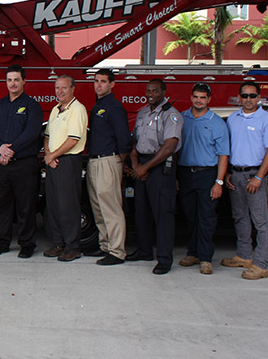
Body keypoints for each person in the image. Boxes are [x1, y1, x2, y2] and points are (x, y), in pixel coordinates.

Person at [221, 82, 268, 280]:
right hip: (236, 175)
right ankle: (244, 255)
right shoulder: (232, 118)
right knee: (240, 217)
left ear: (259, 97)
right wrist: (229, 172)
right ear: (239, 97)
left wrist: (258, 177)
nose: (248, 99)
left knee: (261, 222)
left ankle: (261, 265)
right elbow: (229, 148)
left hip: (255, 176)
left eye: (252, 96)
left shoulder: (267, 119)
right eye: (245, 96)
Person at [0, 65, 44, 258]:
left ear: (24, 81)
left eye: (16, 79)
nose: (13, 83)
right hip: (1, 164)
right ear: (6, 82)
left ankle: (27, 244)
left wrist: (11, 150)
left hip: (24, 164)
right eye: (9, 80)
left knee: (26, 205)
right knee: (1, 205)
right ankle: (1, 243)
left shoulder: (32, 106)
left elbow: (32, 132)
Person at [128, 78, 183, 274]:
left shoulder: (171, 115)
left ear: (164, 92)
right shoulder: (143, 112)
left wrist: (146, 167)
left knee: (163, 215)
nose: (151, 94)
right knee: (141, 212)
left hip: (160, 168)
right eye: (148, 91)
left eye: (155, 91)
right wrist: (136, 165)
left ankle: (164, 259)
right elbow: (134, 141)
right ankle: (144, 251)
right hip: (142, 164)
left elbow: (169, 147)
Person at [177, 83, 230, 275]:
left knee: (206, 217)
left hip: (207, 174)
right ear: (191, 97)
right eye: (196, 97)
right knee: (190, 216)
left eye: (203, 97)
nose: (199, 100)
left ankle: (206, 258)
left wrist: (219, 182)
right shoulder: (182, 118)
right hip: (184, 173)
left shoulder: (217, 122)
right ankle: (193, 253)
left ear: (209, 100)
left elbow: (223, 155)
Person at [85, 69, 131, 266]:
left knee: (111, 207)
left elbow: (124, 140)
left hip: (108, 161)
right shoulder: (98, 106)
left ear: (112, 84)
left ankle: (117, 251)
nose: (99, 85)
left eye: (103, 81)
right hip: (94, 161)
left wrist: (117, 162)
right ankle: (105, 245)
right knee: (98, 207)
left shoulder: (114, 107)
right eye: (96, 81)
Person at [42, 75, 87, 262]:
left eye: (64, 88)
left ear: (73, 89)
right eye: (57, 88)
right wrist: (48, 155)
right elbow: (47, 136)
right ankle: (58, 243)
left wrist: (52, 156)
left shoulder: (78, 109)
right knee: (53, 206)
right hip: (53, 163)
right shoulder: (55, 110)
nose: (60, 91)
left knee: (68, 206)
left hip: (68, 162)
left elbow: (73, 139)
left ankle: (72, 247)